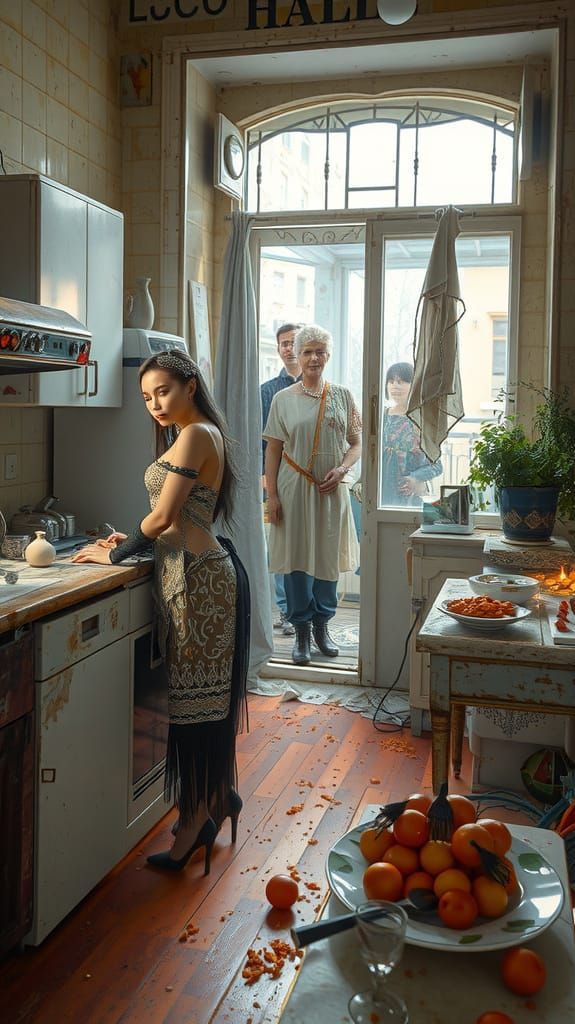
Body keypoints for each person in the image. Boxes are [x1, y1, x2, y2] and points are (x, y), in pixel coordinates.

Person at [72, 349, 249, 874]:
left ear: (190, 385)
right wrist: (139, 541)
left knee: (195, 710)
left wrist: (116, 553)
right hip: (192, 573)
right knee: (200, 704)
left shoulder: (195, 434)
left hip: (199, 582)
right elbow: (179, 520)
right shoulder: (193, 435)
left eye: (163, 392)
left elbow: (167, 513)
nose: (154, 404)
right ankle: (217, 796)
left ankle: (194, 822)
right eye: (146, 397)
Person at [264, 325, 362, 666]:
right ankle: (301, 631)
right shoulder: (282, 399)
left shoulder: (344, 396)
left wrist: (344, 469)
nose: (314, 357)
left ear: (329, 355)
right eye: (308, 351)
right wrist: (272, 496)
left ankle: (323, 627)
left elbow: (357, 443)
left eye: (320, 351)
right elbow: (273, 450)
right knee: (294, 561)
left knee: (326, 557)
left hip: (331, 491)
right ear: (298, 356)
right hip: (294, 489)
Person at [260, 323, 302, 638]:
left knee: (306, 546)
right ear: (278, 349)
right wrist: (265, 478)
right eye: (283, 343)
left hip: (308, 480)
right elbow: (261, 439)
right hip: (275, 480)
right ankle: (287, 611)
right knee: (278, 547)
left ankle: (306, 612)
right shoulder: (267, 390)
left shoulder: (319, 387)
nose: (288, 348)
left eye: (293, 342)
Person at [381, 362, 443, 507]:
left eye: (401, 382)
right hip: (381, 492)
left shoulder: (423, 420)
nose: (395, 386)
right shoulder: (382, 417)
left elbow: (437, 466)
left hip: (410, 495)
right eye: (391, 381)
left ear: (414, 385)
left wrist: (415, 479)